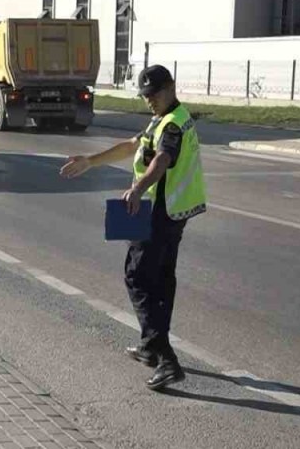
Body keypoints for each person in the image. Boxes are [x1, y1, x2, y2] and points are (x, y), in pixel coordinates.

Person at [59, 65, 207, 391]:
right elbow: (133, 145)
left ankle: (165, 359)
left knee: (137, 277)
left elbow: (162, 160)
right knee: (162, 281)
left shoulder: (173, 126)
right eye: (145, 96)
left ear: (170, 88)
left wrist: (138, 188)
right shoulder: (167, 118)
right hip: (172, 212)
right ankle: (150, 346)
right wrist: (91, 161)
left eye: (153, 95)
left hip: (159, 212)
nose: (148, 101)